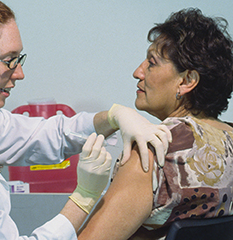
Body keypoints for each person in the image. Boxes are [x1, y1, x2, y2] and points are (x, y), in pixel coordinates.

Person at [0, 0, 172, 239]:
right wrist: (83, 197)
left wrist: (113, 117)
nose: (19, 73)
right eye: (8, 60)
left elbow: (48, 135)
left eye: (19, 59)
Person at [78, 8, 233, 240]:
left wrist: (83, 195)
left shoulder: (153, 150)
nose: (137, 72)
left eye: (152, 63)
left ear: (187, 81)